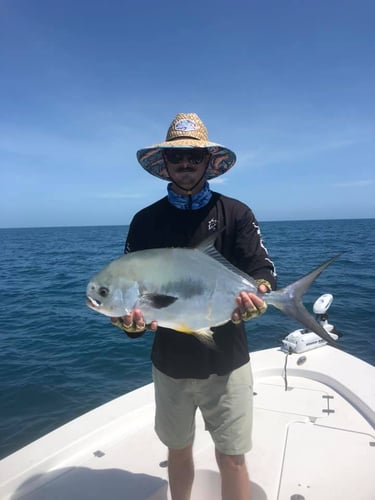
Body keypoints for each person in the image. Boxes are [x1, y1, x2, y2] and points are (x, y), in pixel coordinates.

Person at [112, 113, 276, 500]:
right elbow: (134, 295)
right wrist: (131, 325)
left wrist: (263, 291)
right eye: (177, 157)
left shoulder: (236, 213)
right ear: (164, 164)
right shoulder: (145, 221)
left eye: (193, 156)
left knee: (233, 457)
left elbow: (260, 269)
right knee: (177, 450)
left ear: (207, 162)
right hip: (170, 364)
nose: (185, 164)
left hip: (228, 360)